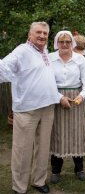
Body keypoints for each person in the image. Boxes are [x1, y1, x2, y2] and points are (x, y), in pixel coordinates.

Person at [0, 22, 68, 194]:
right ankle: (19, 187)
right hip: (27, 110)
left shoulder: (44, 51)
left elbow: (46, 78)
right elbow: (4, 67)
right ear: (30, 34)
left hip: (47, 107)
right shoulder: (22, 51)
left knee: (43, 147)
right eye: (38, 32)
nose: (42, 36)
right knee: (22, 151)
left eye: (45, 33)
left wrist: (58, 97)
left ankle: (38, 181)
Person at [49, 31, 85, 184]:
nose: (65, 44)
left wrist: (82, 95)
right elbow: (47, 82)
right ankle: (55, 171)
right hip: (56, 98)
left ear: (72, 43)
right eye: (61, 42)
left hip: (76, 99)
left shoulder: (79, 59)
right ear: (56, 43)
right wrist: (59, 97)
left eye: (68, 41)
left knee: (76, 134)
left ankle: (79, 169)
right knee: (57, 134)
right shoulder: (50, 58)